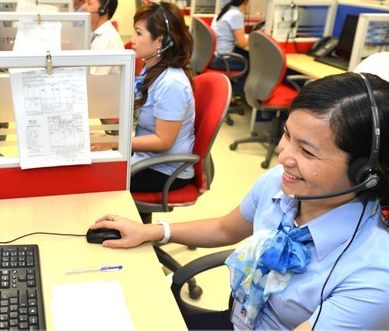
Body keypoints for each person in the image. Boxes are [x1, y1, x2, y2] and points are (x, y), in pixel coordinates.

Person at [90, 72, 389, 330]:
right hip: (239, 320)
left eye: (307, 152)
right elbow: (224, 229)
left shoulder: (373, 273)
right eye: (286, 135)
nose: (283, 157)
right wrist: (153, 231)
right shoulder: (282, 185)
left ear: (365, 173)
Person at [91, 1, 196, 193]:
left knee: (94, 181)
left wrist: (113, 141)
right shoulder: (152, 68)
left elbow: (163, 141)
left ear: (160, 41)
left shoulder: (171, 83)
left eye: (139, 33)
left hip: (164, 170)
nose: (132, 40)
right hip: (145, 158)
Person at [209, 0, 250, 97]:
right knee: (250, 65)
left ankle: (229, 92)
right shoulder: (236, 15)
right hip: (221, 59)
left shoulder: (226, 10)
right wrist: (256, 39)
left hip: (213, 56)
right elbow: (242, 43)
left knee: (242, 56)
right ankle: (234, 95)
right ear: (246, 0)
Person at [81, 0, 124, 75]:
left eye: (89, 3)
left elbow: (95, 78)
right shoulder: (94, 33)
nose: (83, 7)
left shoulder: (109, 40)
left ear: (102, 10)